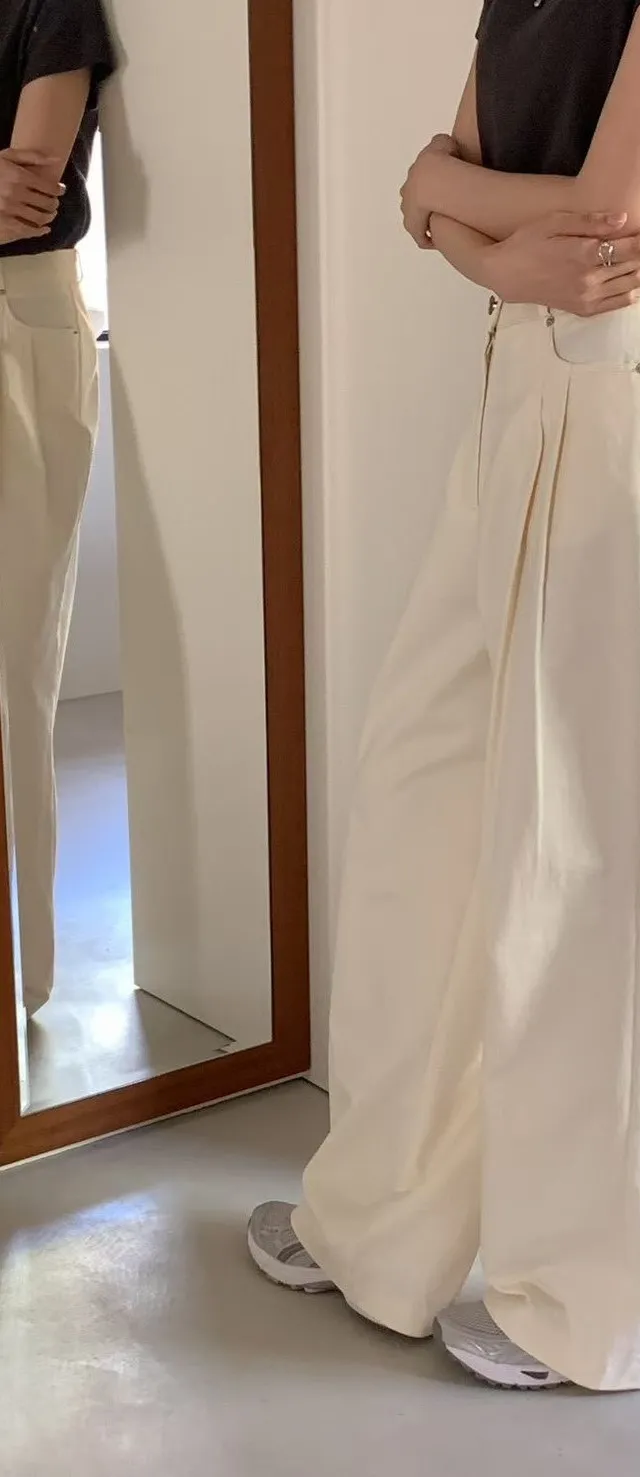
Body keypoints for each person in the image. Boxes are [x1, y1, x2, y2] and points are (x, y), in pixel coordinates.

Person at [250, 0, 640, 1391]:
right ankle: (382, 1225)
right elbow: (460, 194)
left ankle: (606, 1302)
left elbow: (599, 209)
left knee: (612, 866)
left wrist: (452, 205)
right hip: (521, 374)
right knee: (424, 811)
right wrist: (486, 239)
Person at [0, 0, 116, 1018]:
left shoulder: (47, 6)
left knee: (13, 663)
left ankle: (14, 975)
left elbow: (27, 197)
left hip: (16, 316)